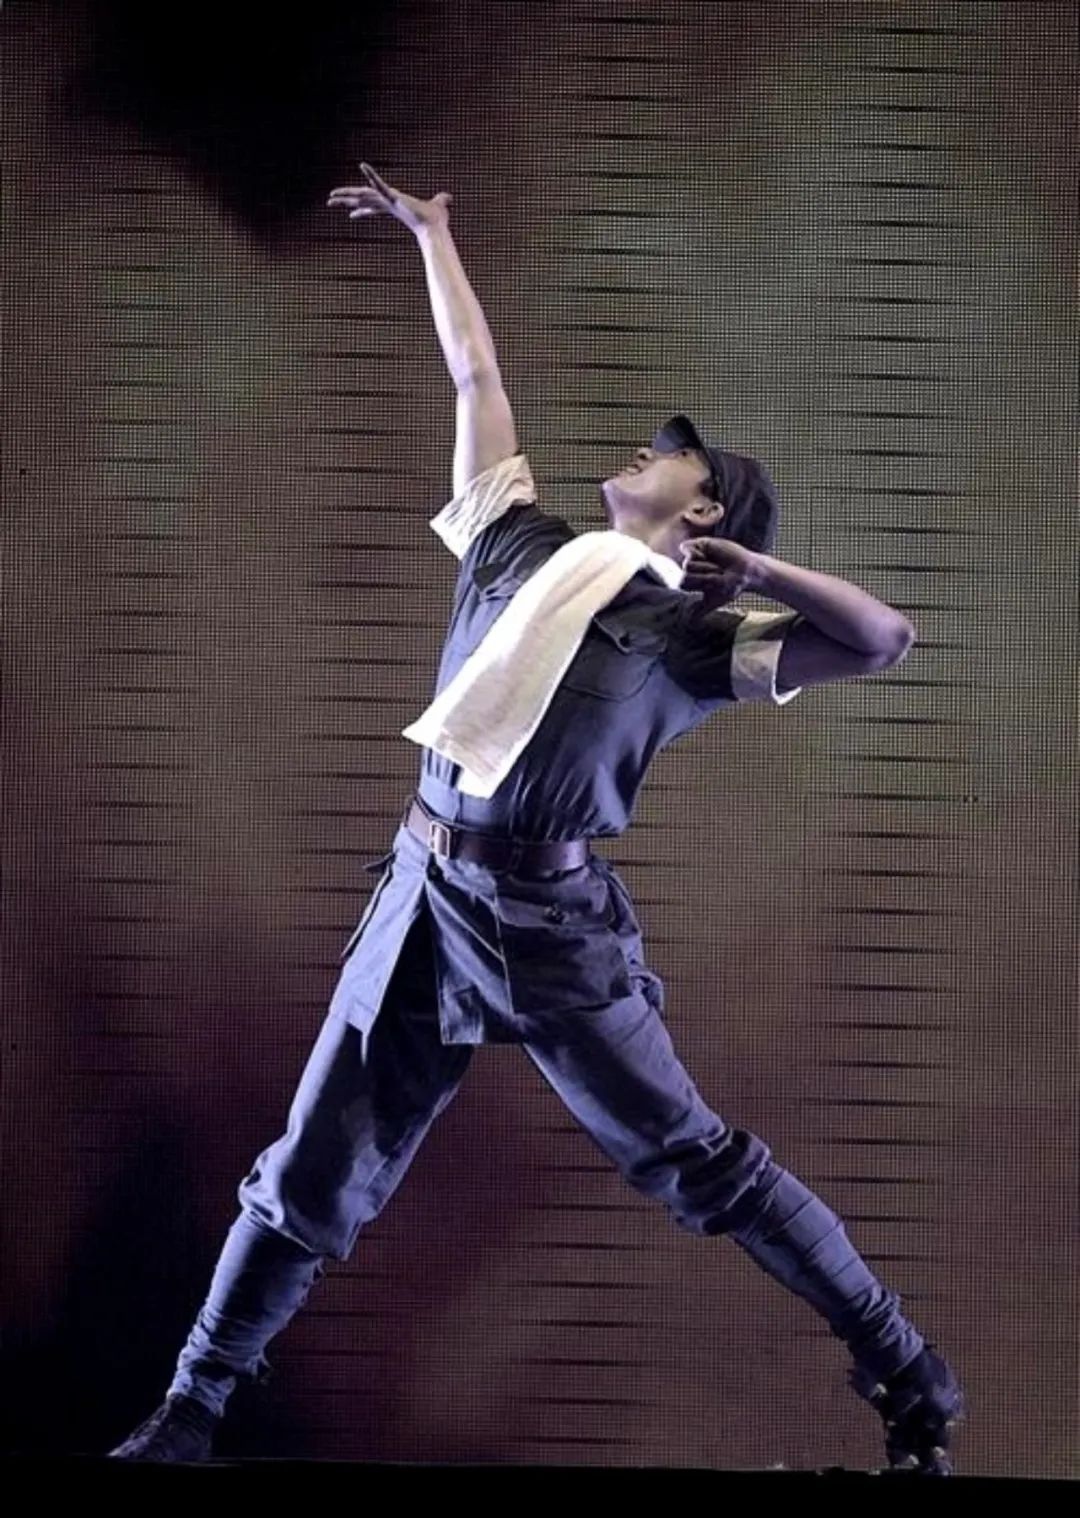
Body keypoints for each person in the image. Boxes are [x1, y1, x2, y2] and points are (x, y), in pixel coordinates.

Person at [110, 164, 963, 1472]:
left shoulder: (698, 633)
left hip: (549, 921)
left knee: (693, 1161)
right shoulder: (517, 547)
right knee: (309, 1172)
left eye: (671, 457)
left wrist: (760, 572)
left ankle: (906, 1368)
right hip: (423, 892)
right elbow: (475, 379)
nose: (642, 451)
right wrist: (433, 235)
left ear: (705, 508)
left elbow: (884, 640)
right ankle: (190, 1408)